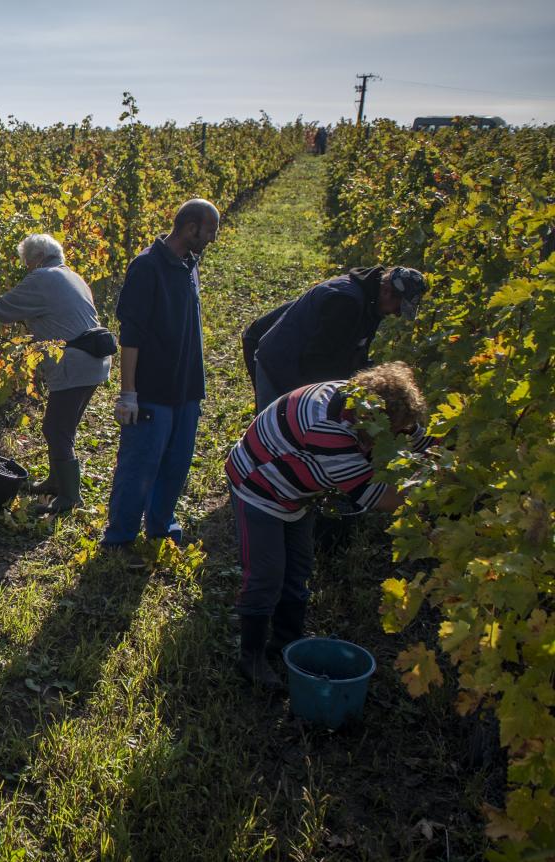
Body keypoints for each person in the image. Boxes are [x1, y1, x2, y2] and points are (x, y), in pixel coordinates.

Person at [224, 362, 433, 689]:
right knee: (266, 575)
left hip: (298, 492)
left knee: (298, 569)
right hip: (259, 486)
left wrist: (439, 456)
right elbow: (378, 498)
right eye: (396, 431)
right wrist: (431, 486)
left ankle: (287, 641)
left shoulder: (373, 406)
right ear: (374, 421)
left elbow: (421, 439)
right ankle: (250, 657)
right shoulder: (329, 430)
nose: (400, 436)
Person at [102, 199, 219, 550]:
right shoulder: (146, 267)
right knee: (138, 467)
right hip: (152, 390)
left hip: (186, 389)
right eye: (210, 230)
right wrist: (128, 394)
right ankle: (120, 538)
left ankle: (161, 528)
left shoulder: (189, 264)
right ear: (190, 228)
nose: (213, 238)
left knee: (176, 465)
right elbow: (132, 335)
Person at [0, 233, 112, 513]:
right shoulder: (72, 276)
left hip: (74, 364)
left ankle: (69, 497)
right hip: (95, 360)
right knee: (63, 428)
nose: (27, 268)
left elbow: (3, 308)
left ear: (39, 258)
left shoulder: (42, 278)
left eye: (27, 262)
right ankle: (56, 481)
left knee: (55, 428)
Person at [249, 266, 426, 410]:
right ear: (387, 291)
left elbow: (355, 350)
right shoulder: (346, 303)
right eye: (399, 307)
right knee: (275, 436)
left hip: (300, 365)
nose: (397, 314)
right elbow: (318, 361)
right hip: (281, 365)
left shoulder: (372, 303)